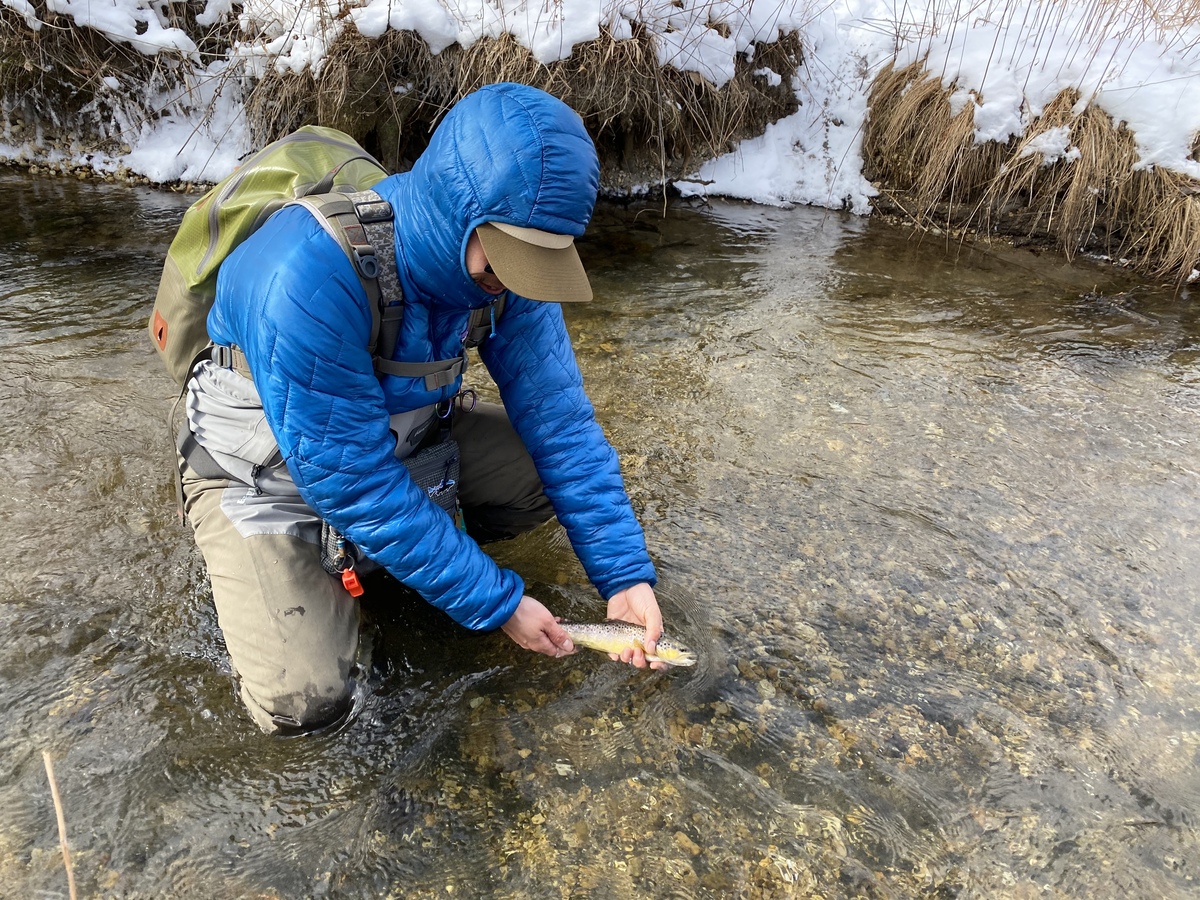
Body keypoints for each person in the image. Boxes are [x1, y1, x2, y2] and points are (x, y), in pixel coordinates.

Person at [174, 82, 664, 734]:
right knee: (310, 710)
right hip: (260, 470)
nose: (517, 282)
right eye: (508, 261)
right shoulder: (308, 274)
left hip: (389, 439)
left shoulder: (510, 266)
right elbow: (353, 482)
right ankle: (286, 572)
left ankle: (398, 559)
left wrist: (624, 576)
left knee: (537, 476)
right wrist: (496, 602)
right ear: (457, 210)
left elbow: (562, 425)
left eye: (537, 262)